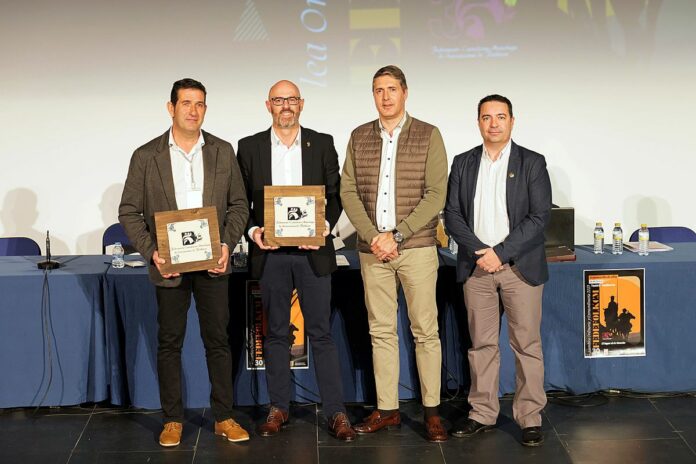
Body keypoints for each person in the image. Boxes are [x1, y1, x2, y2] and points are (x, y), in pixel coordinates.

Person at [119, 78, 249, 447]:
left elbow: (239, 205)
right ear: (171, 107)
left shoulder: (222, 151)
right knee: (169, 343)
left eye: (200, 104)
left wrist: (226, 244)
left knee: (218, 341)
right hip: (170, 266)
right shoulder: (146, 156)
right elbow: (128, 211)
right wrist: (153, 253)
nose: (194, 110)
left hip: (213, 264)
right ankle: (172, 420)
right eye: (186, 103)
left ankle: (224, 416)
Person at [237, 80, 356, 441]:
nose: (285, 105)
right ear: (268, 105)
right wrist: (253, 230)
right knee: (275, 333)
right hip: (271, 255)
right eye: (278, 100)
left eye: (291, 99)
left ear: (301, 104)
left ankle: (336, 412)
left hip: (312, 254)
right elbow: (239, 201)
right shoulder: (249, 147)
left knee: (320, 334)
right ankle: (278, 408)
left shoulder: (321, 143)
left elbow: (336, 196)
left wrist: (323, 227)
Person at [340, 65, 448, 442]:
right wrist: (374, 237)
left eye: (391, 89)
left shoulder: (429, 134)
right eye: (378, 90)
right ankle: (387, 410)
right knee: (381, 331)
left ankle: (432, 412)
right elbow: (348, 192)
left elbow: (436, 194)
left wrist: (397, 234)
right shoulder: (359, 136)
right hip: (373, 251)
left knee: (425, 331)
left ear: (405, 92)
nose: (385, 97)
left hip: (416, 248)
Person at [444, 94, 552, 447]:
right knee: (481, 345)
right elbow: (452, 215)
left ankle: (530, 417)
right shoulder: (463, 162)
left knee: (526, 345)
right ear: (478, 122)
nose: (493, 123)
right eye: (487, 117)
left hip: (519, 268)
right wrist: (482, 253)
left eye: (500, 116)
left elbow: (539, 217)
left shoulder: (532, 162)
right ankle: (482, 412)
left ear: (512, 121)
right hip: (477, 268)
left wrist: (500, 254)